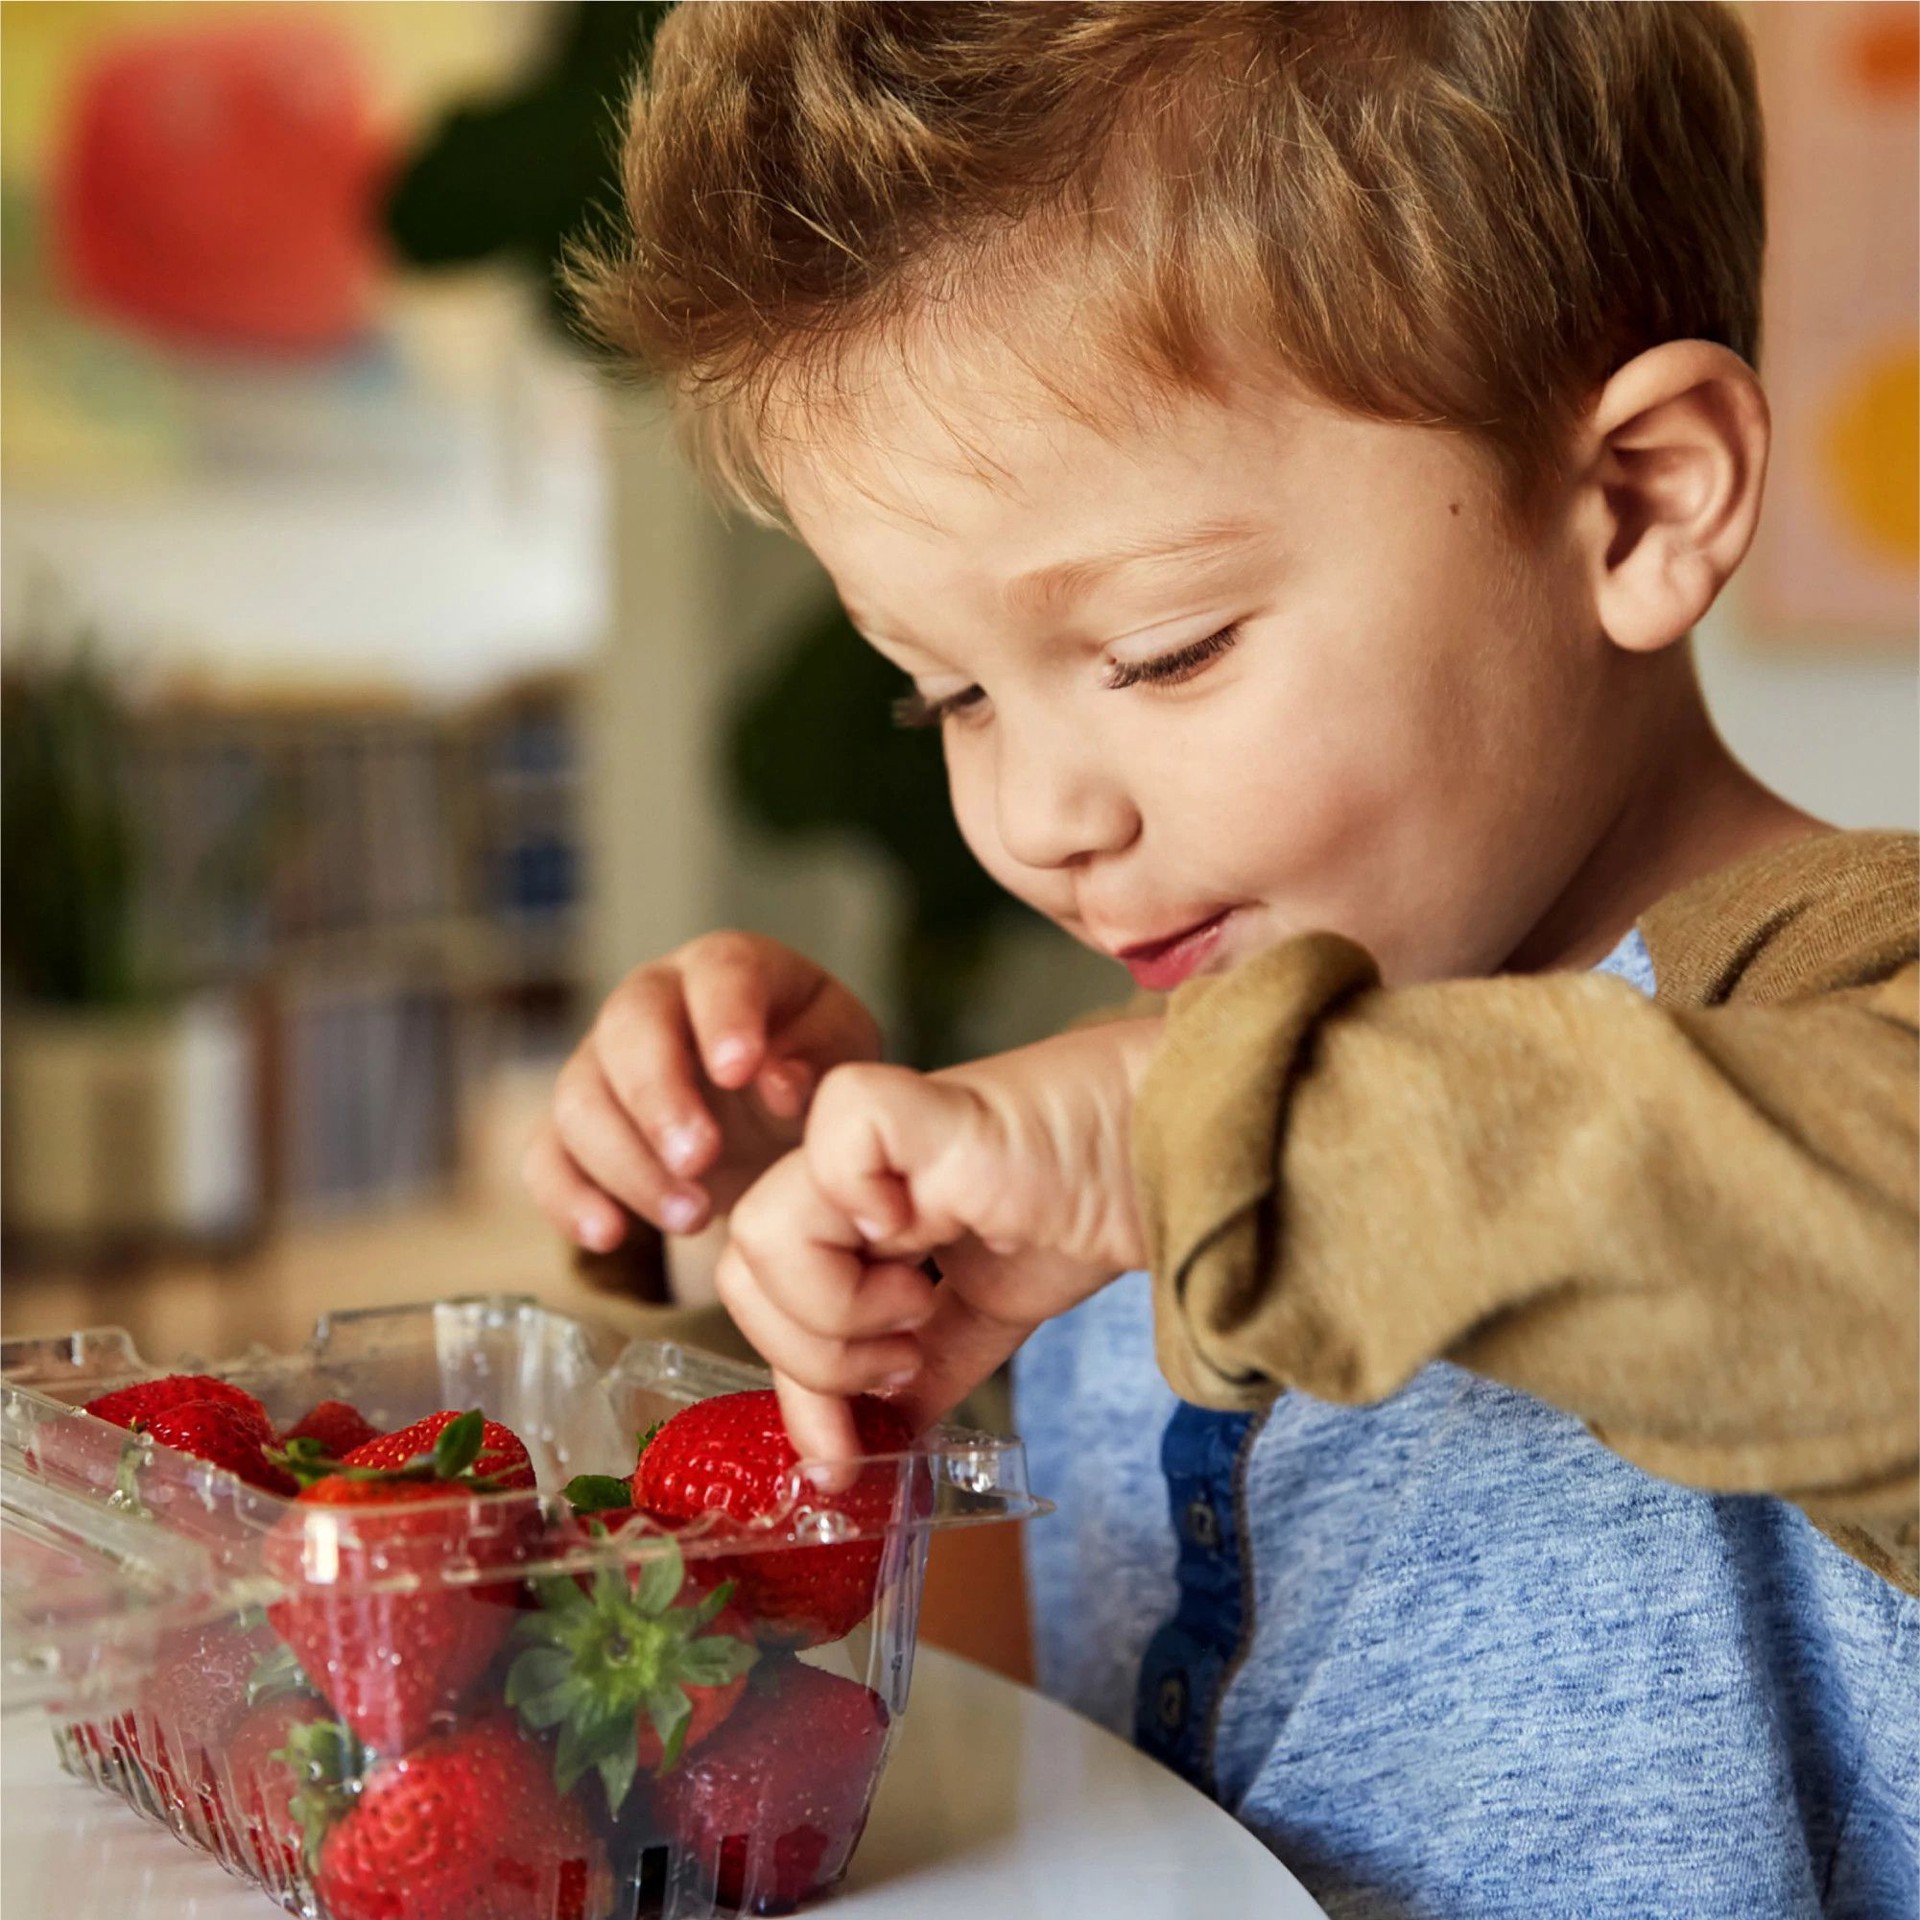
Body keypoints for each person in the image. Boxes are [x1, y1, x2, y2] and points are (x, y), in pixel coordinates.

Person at [524, 7, 1918, 1913]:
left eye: (1166, 648)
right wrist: (819, 1253)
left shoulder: (1846, 989)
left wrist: (1188, 1138)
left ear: (1640, 501)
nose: (1034, 818)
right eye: (943, 692)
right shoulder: (1182, 1062)